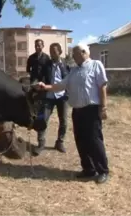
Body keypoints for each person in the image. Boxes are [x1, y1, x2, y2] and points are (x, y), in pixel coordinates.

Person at [34, 43, 109, 184]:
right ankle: (88, 169)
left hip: (91, 110)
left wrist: (103, 108)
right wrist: (45, 87)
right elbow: (60, 85)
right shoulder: (73, 71)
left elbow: (102, 86)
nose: (72, 56)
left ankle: (103, 170)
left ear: (83, 52)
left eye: (74, 53)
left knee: (94, 140)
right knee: (80, 140)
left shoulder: (96, 65)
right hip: (77, 111)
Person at [32, 43, 70, 156]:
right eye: (50, 51)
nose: (52, 53)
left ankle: (60, 142)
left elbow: (69, 79)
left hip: (62, 96)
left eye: (54, 51)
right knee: (42, 120)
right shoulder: (46, 64)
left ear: (60, 52)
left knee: (64, 121)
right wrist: (36, 83)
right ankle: (41, 144)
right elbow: (39, 76)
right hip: (48, 96)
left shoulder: (65, 64)